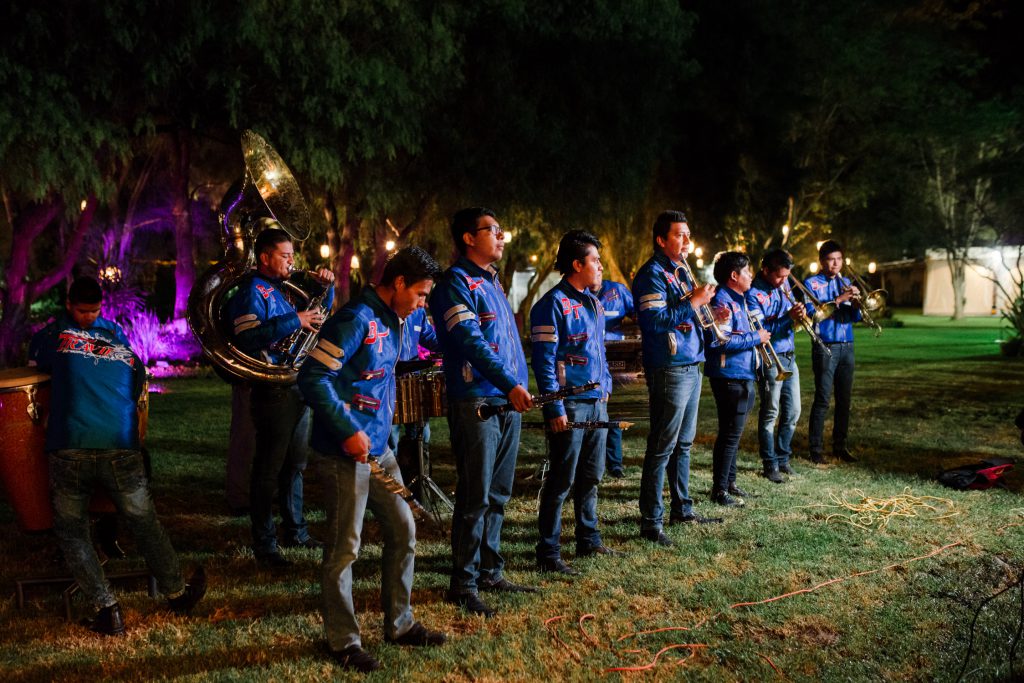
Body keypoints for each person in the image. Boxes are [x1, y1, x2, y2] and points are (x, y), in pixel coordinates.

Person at [298, 247, 447, 673]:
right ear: (398, 283)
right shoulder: (355, 319)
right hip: (344, 453)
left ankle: (400, 624)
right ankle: (343, 641)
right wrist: (348, 430)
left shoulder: (398, 318)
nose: (422, 304)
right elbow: (312, 377)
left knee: (403, 528)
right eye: (419, 295)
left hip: (381, 449)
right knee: (345, 548)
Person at [28, 276, 205, 636]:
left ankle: (106, 608)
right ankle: (176, 592)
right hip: (120, 444)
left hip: (71, 444)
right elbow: (136, 382)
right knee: (143, 520)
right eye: (81, 311)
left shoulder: (50, 339)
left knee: (73, 532)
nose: (87, 318)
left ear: (100, 307)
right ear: (68, 304)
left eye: (93, 311)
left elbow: (37, 377)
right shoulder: (118, 341)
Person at [429, 207, 536, 618]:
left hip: (507, 402)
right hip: (478, 400)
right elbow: (472, 342)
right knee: (475, 495)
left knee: (498, 494)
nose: (502, 236)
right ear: (469, 238)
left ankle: (491, 570)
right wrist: (509, 384)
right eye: (493, 230)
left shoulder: (493, 282)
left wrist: (514, 388)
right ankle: (463, 583)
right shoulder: (454, 284)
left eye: (501, 229)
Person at [227, 221, 335, 567]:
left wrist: (326, 290)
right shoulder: (251, 292)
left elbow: (317, 316)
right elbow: (247, 338)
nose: (292, 261)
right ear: (265, 257)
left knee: (295, 465)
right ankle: (265, 545)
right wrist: (296, 320)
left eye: (292, 255)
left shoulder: (283, 289)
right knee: (268, 469)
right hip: (272, 390)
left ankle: (296, 530)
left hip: (295, 385)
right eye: (285, 255)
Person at [530, 231, 619, 576]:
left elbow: (601, 351)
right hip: (570, 406)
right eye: (594, 260)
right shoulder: (550, 305)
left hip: (596, 403)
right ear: (577, 264)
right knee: (562, 479)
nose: (600, 266)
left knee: (592, 474)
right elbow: (544, 362)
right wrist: (554, 407)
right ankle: (548, 551)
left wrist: (607, 385)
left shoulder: (594, 303)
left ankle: (589, 537)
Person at [633, 210, 722, 547]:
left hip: (691, 362)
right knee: (662, 446)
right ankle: (650, 521)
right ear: (661, 240)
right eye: (679, 235)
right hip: (670, 367)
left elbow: (687, 312)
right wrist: (695, 302)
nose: (687, 240)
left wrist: (710, 312)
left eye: (688, 234)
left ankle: (682, 508)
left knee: (683, 444)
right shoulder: (651, 274)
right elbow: (655, 321)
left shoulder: (682, 271)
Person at [704, 252, 771, 507]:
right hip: (729, 375)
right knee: (730, 434)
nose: (751, 275)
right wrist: (757, 338)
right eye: (747, 271)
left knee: (733, 433)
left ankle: (729, 483)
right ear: (734, 275)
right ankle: (719, 490)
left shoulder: (738, 299)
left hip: (740, 373)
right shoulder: (722, 302)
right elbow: (719, 341)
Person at [746, 249, 805, 483]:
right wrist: (788, 317)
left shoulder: (784, 284)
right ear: (766, 270)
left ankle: (783, 457)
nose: (784, 281)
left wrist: (801, 313)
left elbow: (792, 318)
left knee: (793, 411)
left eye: (787, 276)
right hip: (771, 358)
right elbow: (761, 331)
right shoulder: (753, 293)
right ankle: (769, 463)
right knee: (771, 411)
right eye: (780, 276)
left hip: (790, 355)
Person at [803, 240, 861, 464]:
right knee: (823, 399)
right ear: (822, 261)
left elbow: (854, 318)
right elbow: (813, 314)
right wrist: (838, 300)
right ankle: (815, 449)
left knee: (844, 400)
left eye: (839, 259)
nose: (835, 263)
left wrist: (856, 304)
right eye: (830, 259)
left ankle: (840, 446)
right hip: (825, 345)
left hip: (848, 345)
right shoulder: (811, 283)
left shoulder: (846, 282)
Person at [595, 278, 634, 478]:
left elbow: (638, 314)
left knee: (615, 411)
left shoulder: (617, 290)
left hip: (616, 357)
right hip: (592, 358)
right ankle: (594, 461)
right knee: (595, 409)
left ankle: (614, 462)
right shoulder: (578, 290)